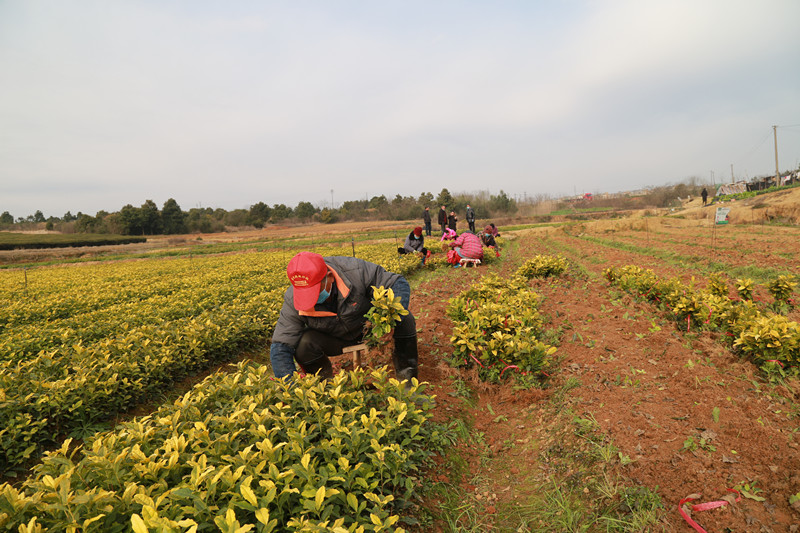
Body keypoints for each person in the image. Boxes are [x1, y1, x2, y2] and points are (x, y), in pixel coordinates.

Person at [270, 252, 418, 382]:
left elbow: (397, 282)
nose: (313, 300)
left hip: (369, 329)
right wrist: (288, 387)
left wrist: (390, 321)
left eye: (315, 292)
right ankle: (325, 389)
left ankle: (407, 381)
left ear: (329, 278)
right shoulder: (292, 299)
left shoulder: (356, 272)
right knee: (303, 344)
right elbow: (280, 345)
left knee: (405, 320)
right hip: (335, 338)